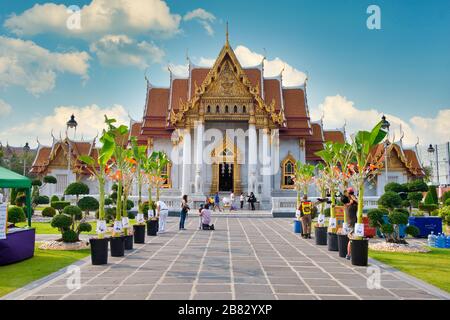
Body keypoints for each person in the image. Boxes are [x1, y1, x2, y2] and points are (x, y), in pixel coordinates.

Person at [346, 188, 358, 260]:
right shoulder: (348, 202)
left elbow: (361, 204)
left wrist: (354, 199)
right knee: (351, 238)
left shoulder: (354, 202)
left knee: (352, 238)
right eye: (351, 193)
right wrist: (352, 200)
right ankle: (349, 254)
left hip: (353, 222)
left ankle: (350, 254)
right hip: (351, 222)